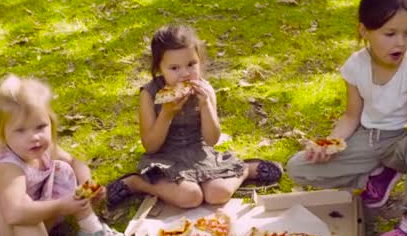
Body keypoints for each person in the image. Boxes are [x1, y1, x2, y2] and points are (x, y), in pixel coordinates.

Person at [286, 0, 407, 236]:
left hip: (404, 142)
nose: (400, 42)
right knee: (298, 166)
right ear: (364, 31)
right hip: (369, 140)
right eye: (390, 33)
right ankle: (376, 175)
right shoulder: (355, 66)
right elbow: (351, 116)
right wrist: (328, 145)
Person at [0, 75, 124, 236]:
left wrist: (88, 184)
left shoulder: (43, 147)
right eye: (20, 130)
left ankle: (92, 233)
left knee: (64, 168)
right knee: (21, 209)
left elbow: (74, 162)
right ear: (3, 134)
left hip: (34, 221)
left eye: (41, 126)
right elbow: (14, 215)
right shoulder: (7, 167)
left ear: (51, 123)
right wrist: (61, 206)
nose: (34, 137)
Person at [106, 24, 283, 208]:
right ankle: (136, 183)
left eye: (191, 64)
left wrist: (205, 105)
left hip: (200, 154)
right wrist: (166, 114)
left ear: (200, 60)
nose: (185, 74)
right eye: (174, 68)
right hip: (165, 158)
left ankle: (246, 169)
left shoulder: (205, 90)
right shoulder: (150, 95)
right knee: (190, 197)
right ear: (159, 68)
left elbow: (212, 139)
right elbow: (150, 146)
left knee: (218, 194)